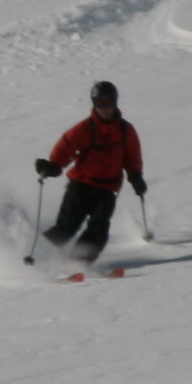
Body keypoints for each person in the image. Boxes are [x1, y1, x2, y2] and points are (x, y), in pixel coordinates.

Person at [34, 80, 148, 264]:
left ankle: (79, 263)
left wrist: (136, 177)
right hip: (81, 185)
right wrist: (54, 166)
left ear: (115, 102)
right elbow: (65, 148)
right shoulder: (85, 129)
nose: (105, 108)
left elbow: (132, 156)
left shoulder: (125, 130)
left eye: (109, 103)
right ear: (94, 104)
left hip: (108, 188)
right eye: (100, 104)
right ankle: (36, 255)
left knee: (99, 229)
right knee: (66, 228)